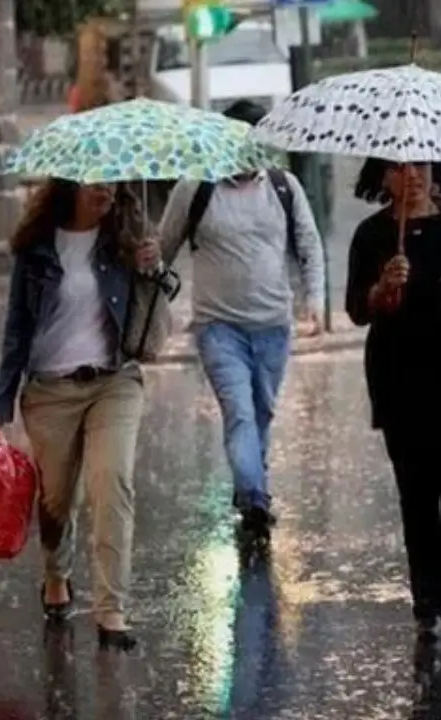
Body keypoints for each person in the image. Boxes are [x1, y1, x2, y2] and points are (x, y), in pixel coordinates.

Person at [0, 180, 177, 652]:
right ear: (71, 184)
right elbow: (17, 328)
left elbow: (163, 295)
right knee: (56, 501)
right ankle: (57, 575)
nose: (106, 190)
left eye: (112, 181)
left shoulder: (125, 235)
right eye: (95, 182)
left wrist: (155, 267)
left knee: (113, 484)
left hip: (115, 381)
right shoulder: (37, 249)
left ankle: (112, 609)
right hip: (50, 390)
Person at [138, 99, 326, 542]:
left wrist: (313, 300)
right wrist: (148, 261)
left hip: (273, 325)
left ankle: (250, 491)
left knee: (260, 413)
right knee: (240, 413)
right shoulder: (196, 188)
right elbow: (164, 251)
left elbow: (309, 244)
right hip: (218, 326)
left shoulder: (284, 186)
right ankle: (256, 498)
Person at [344, 159, 441, 636]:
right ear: (383, 178)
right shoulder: (373, 234)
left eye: (422, 164)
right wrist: (381, 289)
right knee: (417, 490)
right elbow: (356, 308)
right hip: (401, 376)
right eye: (398, 167)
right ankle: (426, 597)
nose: (413, 174)